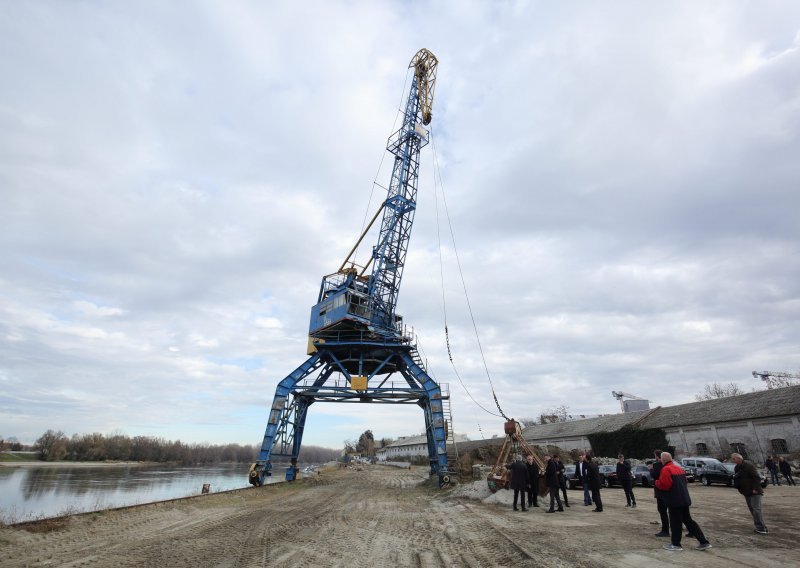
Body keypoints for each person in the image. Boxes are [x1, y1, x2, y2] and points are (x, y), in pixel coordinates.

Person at [654, 451, 712, 551]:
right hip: (684, 499)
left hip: (674, 500)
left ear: (663, 460)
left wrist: (656, 482)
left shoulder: (666, 469)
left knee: (675, 522)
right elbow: (685, 482)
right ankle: (703, 542)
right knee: (689, 521)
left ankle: (676, 544)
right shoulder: (678, 468)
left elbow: (665, 485)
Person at [731, 452, 768, 534]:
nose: (732, 460)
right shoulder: (737, 467)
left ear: (739, 458)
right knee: (752, 509)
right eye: (732, 459)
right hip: (746, 492)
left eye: (734, 459)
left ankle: (761, 528)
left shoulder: (748, 466)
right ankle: (761, 527)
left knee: (756, 510)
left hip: (755, 491)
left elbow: (757, 477)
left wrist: (755, 488)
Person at [650, 449, 670, 537]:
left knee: (662, 510)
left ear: (657, 457)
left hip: (661, 491)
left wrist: (650, 469)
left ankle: (665, 530)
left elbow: (654, 475)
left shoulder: (658, 465)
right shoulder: (669, 465)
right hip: (669, 491)